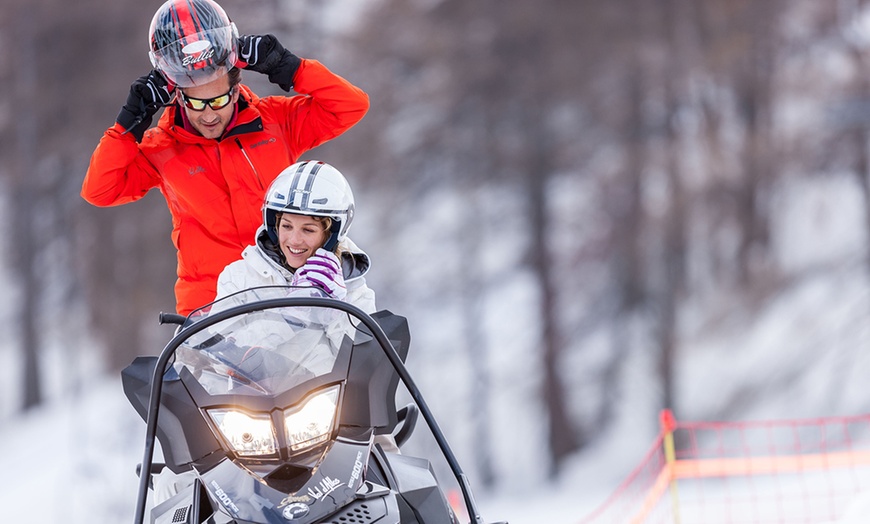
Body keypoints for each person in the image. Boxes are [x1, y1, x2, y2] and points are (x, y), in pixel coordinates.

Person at [81, 0, 369, 315]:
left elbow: (350, 106)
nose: (208, 114)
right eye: (195, 102)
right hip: (210, 312)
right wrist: (128, 125)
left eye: (218, 99)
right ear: (178, 96)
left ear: (235, 87)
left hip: (285, 297)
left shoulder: (276, 122)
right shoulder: (160, 147)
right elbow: (100, 191)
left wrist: (289, 67)